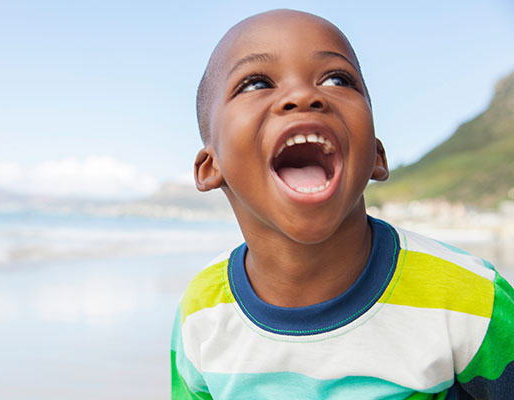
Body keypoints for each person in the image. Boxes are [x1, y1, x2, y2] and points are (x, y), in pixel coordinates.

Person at [171, 9, 514, 399]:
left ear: (377, 157)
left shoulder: (471, 298)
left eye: (337, 79)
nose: (302, 95)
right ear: (210, 167)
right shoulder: (200, 312)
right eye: (255, 83)